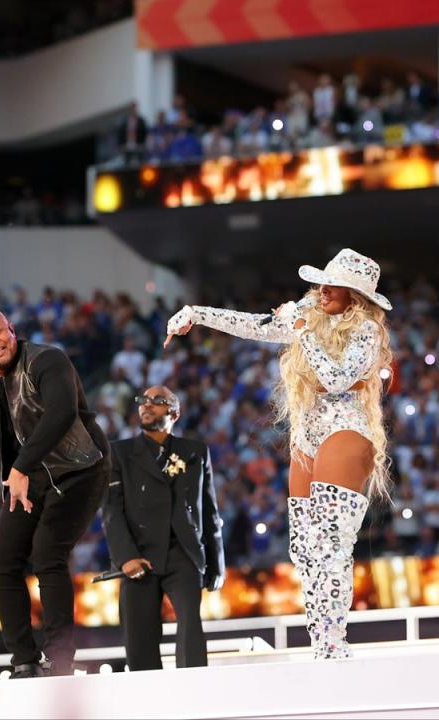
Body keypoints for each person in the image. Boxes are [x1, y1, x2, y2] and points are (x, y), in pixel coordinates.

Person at [165, 248, 393, 659]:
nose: (322, 289)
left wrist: (303, 328)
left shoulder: (367, 331)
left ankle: (334, 647)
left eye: (333, 285)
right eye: (322, 281)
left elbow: (337, 379)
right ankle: (321, 644)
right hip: (307, 434)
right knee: (304, 547)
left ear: (355, 295)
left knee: (331, 544)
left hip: (347, 428)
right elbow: (257, 325)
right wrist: (196, 313)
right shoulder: (312, 317)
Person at [0, 308, 109, 678]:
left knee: (46, 554)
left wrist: (20, 467)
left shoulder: (46, 359)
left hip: (79, 469)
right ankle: (23, 659)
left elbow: (61, 412)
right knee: (3, 564)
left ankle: (59, 659)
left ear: (12, 331)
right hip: (31, 477)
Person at [103, 385, 224, 671]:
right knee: (139, 638)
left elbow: (209, 510)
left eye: (157, 401)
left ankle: (194, 696)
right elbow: (111, 511)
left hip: (183, 552)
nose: (147, 405)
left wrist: (216, 564)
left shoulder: (195, 452)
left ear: (174, 412)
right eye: (143, 400)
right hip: (138, 555)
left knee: (190, 628)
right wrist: (126, 557)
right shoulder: (119, 453)